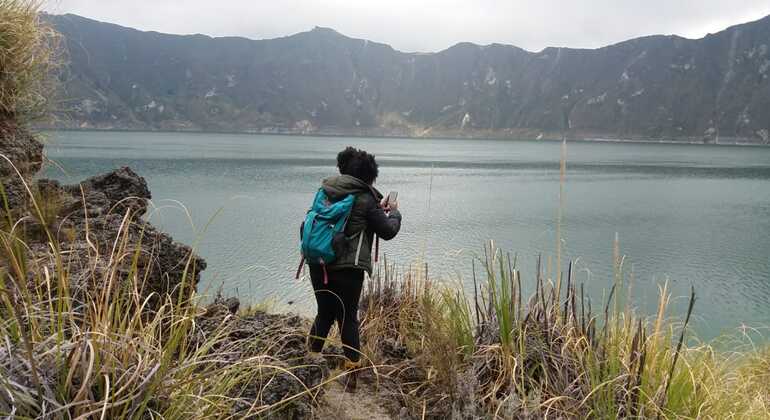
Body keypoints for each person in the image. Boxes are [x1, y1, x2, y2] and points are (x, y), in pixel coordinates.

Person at [304, 146, 401, 391]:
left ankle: (308, 363)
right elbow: (388, 231)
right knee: (347, 318)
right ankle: (352, 378)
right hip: (348, 269)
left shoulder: (325, 191)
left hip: (319, 263)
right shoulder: (366, 198)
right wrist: (396, 213)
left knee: (324, 313)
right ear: (369, 176)